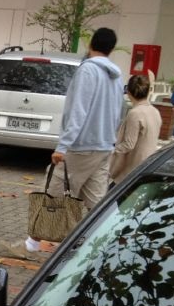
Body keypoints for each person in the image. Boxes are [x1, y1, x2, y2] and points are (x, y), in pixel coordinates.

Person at [50, 27, 125, 212]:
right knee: (97, 204)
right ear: (112, 49)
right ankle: (105, 237)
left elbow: (78, 111)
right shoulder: (117, 76)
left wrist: (62, 146)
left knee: (55, 197)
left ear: (91, 43)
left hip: (80, 146)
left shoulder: (88, 70)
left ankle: (37, 242)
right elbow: (118, 112)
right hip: (104, 146)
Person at [110, 75, 162, 184]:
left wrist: (112, 150)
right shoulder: (155, 112)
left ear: (128, 93)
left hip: (131, 170)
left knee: (111, 196)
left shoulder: (135, 113)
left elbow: (129, 144)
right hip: (146, 166)